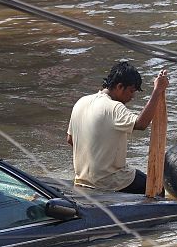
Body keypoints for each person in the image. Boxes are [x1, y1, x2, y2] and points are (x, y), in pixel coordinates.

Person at [66, 60, 169, 194]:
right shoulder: (114, 107)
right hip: (108, 181)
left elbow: (70, 139)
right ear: (120, 86)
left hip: (82, 179)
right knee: (157, 188)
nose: (132, 96)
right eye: (131, 91)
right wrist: (157, 90)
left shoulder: (81, 102)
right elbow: (141, 123)